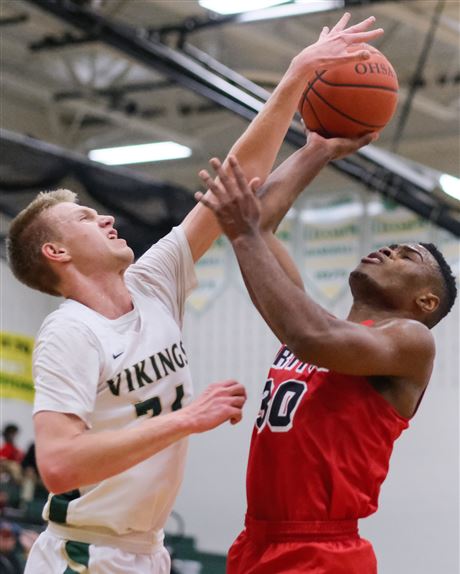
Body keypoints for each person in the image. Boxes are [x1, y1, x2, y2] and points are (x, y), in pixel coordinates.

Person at [5, 12, 384, 574]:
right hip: (84, 555)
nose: (107, 217)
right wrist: (188, 418)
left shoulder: (153, 281)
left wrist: (302, 105)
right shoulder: (69, 332)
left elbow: (236, 185)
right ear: (56, 254)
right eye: (85, 218)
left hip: (144, 550)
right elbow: (59, 465)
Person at [196, 146, 457, 572]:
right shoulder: (324, 330)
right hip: (257, 540)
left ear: (425, 301)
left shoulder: (411, 341)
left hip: (321, 551)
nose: (388, 251)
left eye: (406, 256)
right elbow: (260, 226)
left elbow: (308, 334)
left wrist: (243, 236)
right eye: (391, 246)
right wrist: (318, 147)